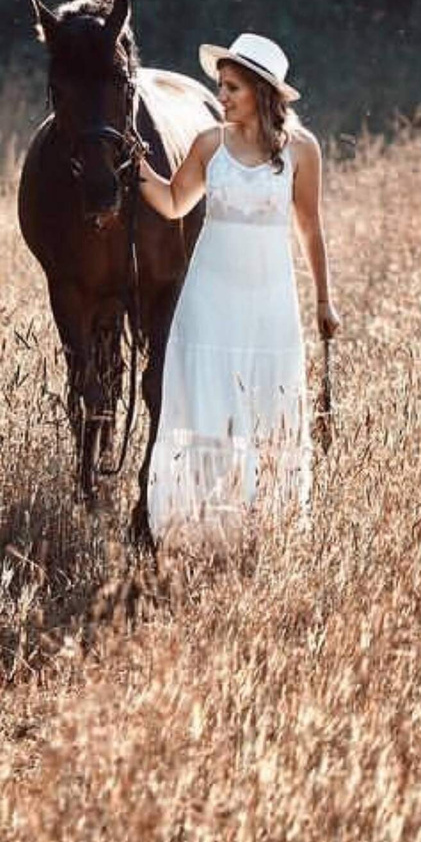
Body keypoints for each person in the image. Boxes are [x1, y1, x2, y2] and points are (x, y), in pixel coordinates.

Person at [133, 31, 340, 540]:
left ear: (262, 93)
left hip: (269, 302)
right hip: (209, 299)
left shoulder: (302, 151)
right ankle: (198, 528)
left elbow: (310, 227)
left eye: (232, 89)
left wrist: (324, 300)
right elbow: (173, 202)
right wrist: (133, 164)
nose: (220, 97)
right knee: (208, 402)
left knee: (266, 406)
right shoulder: (210, 144)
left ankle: (260, 527)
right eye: (221, 86)